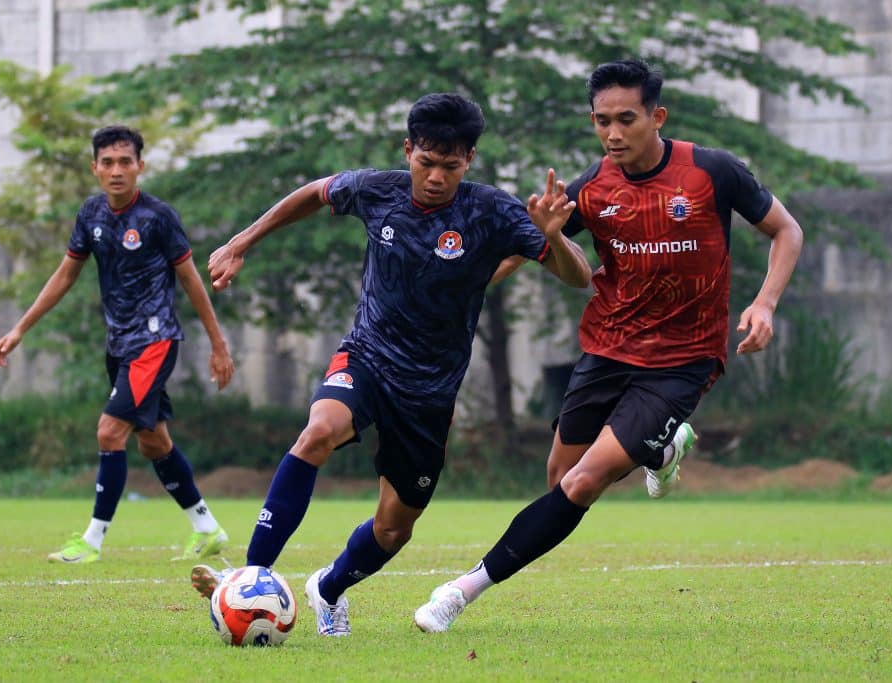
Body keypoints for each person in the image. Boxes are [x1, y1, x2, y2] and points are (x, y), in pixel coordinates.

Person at [413, 58, 804, 632]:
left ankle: (459, 592)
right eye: (602, 121)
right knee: (559, 481)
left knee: (582, 483)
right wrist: (456, 289)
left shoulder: (712, 171)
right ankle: (661, 448)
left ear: (656, 117)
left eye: (627, 119)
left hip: (682, 360)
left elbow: (786, 230)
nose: (613, 133)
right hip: (607, 349)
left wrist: (765, 303)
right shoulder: (591, 189)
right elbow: (524, 250)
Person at [189, 92, 593, 636]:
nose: (436, 177)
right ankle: (249, 575)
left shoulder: (492, 211)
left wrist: (553, 237)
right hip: (368, 357)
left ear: (469, 160)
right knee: (318, 431)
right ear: (407, 151)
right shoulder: (377, 190)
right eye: (426, 162)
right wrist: (242, 241)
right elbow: (315, 192)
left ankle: (329, 588)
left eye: (450, 166)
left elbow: (579, 276)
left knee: (393, 529)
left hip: (429, 394)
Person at [0, 125, 235, 564]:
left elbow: (191, 280)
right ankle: (207, 528)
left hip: (155, 341)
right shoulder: (91, 214)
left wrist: (219, 345)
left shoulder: (158, 217)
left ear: (140, 166)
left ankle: (92, 541)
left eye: (125, 162)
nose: (117, 170)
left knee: (109, 431)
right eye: (108, 162)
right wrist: (19, 329)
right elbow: (65, 275)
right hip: (119, 344)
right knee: (153, 442)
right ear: (95, 168)